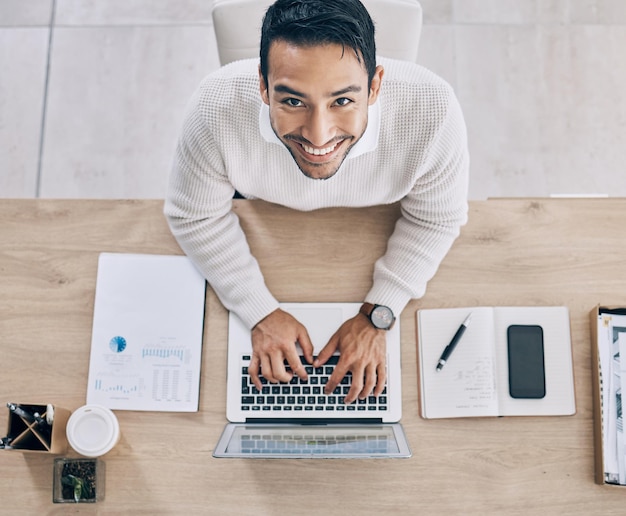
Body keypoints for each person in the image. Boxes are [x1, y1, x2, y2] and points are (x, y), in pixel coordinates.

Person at [164, 0, 469, 405]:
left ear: (375, 86)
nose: (318, 136)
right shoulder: (213, 107)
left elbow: (437, 219)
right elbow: (194, 215)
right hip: (262, 211)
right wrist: (258, 311)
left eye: (342, 101)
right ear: (262, 85)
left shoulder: (434, 110)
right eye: (292, 101)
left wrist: (379, 313)